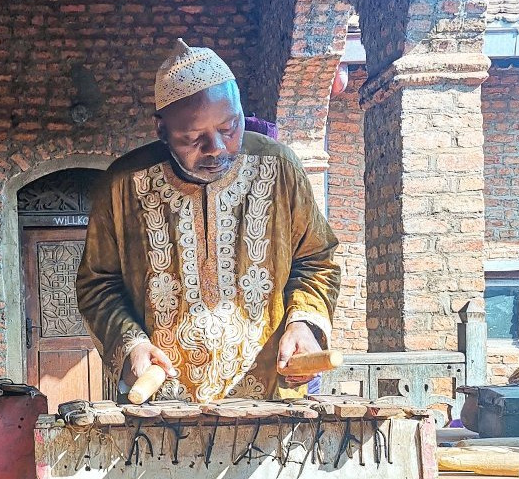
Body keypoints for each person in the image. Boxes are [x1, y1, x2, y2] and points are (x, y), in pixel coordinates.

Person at [76, 39, 341, 403]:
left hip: (270, 396)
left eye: (229, 127)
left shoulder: (279, 167)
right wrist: (132, 345)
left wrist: (304, 323)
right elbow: (98, 284)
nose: (216, 147)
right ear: (162, 129)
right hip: (162, 402)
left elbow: (316, 260)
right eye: (193, 137)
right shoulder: (123, 184)